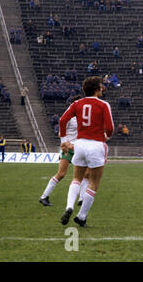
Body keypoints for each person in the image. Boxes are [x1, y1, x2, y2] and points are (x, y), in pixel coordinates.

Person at [59, 76, 114, 227]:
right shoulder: (103, 105)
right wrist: (107, 136)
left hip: (80, 144)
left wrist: (64, 140)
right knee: (93, 183)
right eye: (101, 86)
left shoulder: (77, 103)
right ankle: (81, 216)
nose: (102, 88)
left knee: (76, 178)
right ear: (97, 89)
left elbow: (62, 120)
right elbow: (110, 128)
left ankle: (69, 206)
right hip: (96, 145)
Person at [39, 96, 91, 207]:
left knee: (86, 174)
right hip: (68, 149)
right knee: (61, 174)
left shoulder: (83, 117)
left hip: (79, 149)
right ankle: (44, 196)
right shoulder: (68, 118)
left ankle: (81, 199)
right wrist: (66, 143)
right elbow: (60, 133)